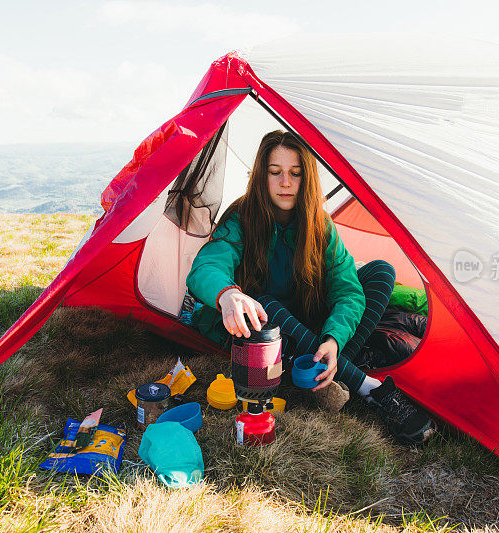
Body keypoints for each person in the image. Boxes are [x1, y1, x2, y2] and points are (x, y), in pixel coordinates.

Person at [186, 130, 434, 444]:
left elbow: (348, 290)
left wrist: (333, 340)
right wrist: (228, 294)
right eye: (275, 173)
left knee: (382, 272)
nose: (285, 183)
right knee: (266, 303)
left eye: (295, 174)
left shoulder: (320, 224)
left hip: (304, 323)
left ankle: (329, 365)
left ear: (308, 179)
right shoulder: (241, 217)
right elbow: (208, 265)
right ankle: (366, 387)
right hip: (260, 333)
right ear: (262, 176)